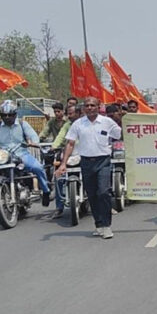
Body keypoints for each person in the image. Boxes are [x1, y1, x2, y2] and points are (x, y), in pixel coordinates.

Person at [56, 97, 121, 239]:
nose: (90, 108)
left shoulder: (107, 122)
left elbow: (119, 134)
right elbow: (70, 144)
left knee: (103, 192)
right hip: (86, 162)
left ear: (98, 107)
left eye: (93, 105)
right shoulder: (78, 124)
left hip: (103, 161)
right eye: (87, 105)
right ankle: (98, 224)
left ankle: (106, 225)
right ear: (83, 108)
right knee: (92, 194)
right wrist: (63, 164)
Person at [0, 100, 52, 219]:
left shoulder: (23, 124)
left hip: (22, 154)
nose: (7, 118)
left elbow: (34, 137)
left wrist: (32, 142)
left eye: (10, 115)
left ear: (15, 114)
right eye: (4, 115)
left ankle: (46, 191)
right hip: (4, 157)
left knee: (37, 167)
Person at [49, 104, 80, 219]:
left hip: (85, 155)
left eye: (71, 114)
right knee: (59, 176)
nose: (69, 116)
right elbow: (61, 136)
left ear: (78, 113)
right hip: (69, 155)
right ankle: (59, 207)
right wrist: (54, 146)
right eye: (68, 114)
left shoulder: (85, 123)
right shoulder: (68, 125)